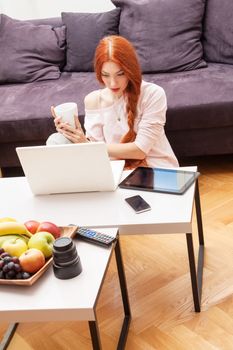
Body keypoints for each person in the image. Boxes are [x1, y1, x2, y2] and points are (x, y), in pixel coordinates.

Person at [47, 35, 178, 169]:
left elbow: (140, 150)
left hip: (156, 168)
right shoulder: (93, 101)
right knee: (55, 140)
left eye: (120, 74)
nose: (113, 83)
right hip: (117, 172)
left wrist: (88, 145)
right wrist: (75, 134)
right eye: (106, 75)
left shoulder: (153, 94)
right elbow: (96, 155)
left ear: (130, 70)